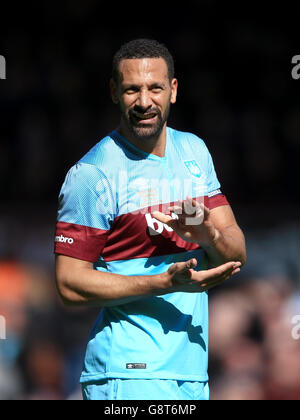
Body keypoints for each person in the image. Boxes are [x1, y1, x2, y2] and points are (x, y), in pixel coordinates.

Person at [54, 38, 246, 401]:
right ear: (114, 92)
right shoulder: (92, 175)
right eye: (132, 90)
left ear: (173, 90)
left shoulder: (194, 151)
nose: (144, 101)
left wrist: (209, 237)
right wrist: (164, 282)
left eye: (155, 87)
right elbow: (68, 284)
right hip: (129, 374)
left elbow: (237, 252)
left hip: (191, 374)